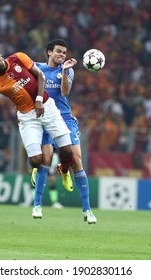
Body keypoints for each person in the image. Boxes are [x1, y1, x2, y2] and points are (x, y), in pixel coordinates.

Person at [0, 49, 74, 219]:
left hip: (47, 107)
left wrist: (38, 100)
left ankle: (64, 170)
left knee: (68, 151)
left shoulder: (18, 57)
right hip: (27, 117)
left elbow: (41, 76)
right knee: (36, 160)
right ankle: (36, 175)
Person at [31, 38, 97, 224]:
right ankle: (37, 205)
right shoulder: (37, 68)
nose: (62, 55)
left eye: (64, 52)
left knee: (76, 159)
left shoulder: (67, 70)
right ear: (49, 52)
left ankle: (87, 210)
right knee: (46, 158)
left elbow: (65, 93)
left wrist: (66, 70)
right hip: (45, 118)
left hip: (65, 118)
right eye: (58, 51)